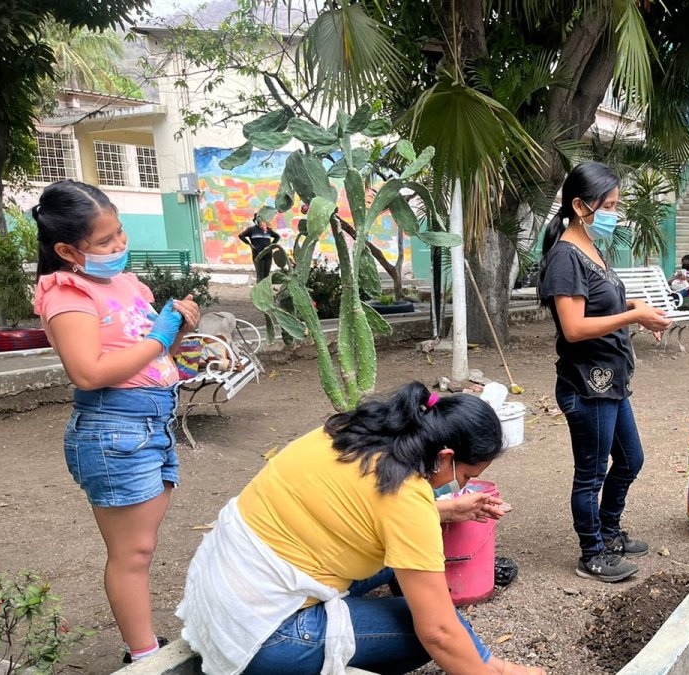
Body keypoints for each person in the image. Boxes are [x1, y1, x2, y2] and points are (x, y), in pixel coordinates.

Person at [177, 383, 544, 675]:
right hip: (263, 637)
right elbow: (439, 634)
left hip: (220, 592)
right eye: (465, 476)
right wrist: (483, 666)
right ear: (446, 456)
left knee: (410, 569)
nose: (461, 486)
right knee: (427, 629)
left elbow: (364, 511)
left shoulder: (354, 433)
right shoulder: (406, 495)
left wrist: (445, 511)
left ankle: (487, 664)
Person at [31, 179, 201, 663]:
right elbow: (88, 373)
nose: (120, 245)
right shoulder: (67, 294)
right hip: (114, 429)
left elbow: (146, 354)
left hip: (151, 425)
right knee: (133, 554)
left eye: (120, 233)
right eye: (105, 241)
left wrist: (178, 334)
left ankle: (144, 647)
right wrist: (159, 335)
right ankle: (144, 656)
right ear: (68, 250)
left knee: (141, 548)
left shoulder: (124, 283)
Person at [538, 161, 672, 583]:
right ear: (580, 206)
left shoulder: (592, 250)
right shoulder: (565, 257)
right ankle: (592, 553)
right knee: (591, 474)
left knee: (631, 459)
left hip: (612, 381)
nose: (615, 213)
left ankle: (610, 531)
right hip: (587, 383)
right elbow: (575, 328)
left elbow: (604, 304)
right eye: (609, 205)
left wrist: (638, 310)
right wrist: (629, 316)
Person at [238, 212, 281, 281]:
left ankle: (265, 290)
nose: (260, 221)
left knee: (266, 275)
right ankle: (259, 290)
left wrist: (271, 246)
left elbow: (277, 237)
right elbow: (241, 235)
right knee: (260, 275)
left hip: (268, 255)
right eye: (258, 220)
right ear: (255, 220)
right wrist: (249, 244)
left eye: (262, 220)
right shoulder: (251, 230)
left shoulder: (268, 230)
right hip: (257, 254)